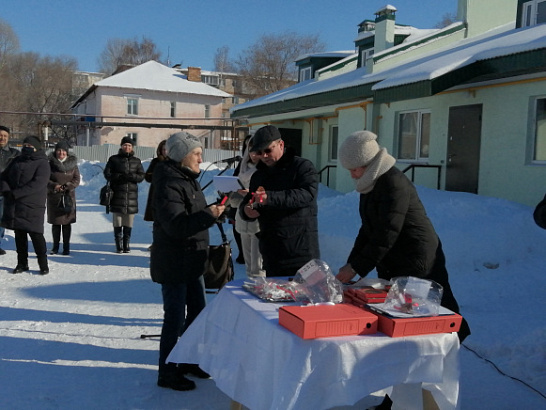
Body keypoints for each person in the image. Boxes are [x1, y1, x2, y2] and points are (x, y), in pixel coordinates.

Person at [335, 130, 470, 342]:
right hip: (393, 256)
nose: (352, 175)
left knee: (426, 315)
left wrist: (356, 268)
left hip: (416, 257)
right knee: (398, 312)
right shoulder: (370, 184)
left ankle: (441, 353)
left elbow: (387, 232)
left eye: (354, 169)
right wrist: (352, 263)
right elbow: (368, 229)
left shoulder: (392, 183)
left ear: (369, 163)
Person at [150, 131, 225, 391]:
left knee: (196, 314)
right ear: (182, 155)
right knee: (175, 318)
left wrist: (214, 213)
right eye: (196, 153)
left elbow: (193, 214)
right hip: (174, 261)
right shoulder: (168, 181)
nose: (200, 158)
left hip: (191, 260)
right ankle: (167, 372)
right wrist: (208, 215)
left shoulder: (186, 179)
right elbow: (175, 225)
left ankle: (189, 361)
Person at [240, 125, 320, 277]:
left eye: (268, 150)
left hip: (300, 251)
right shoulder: (259, 175)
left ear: (281, 145)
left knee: (304, 298)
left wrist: (270, 198)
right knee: (276, 297)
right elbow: (249, 199)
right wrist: (246, 210)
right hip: (272, 251)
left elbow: (307, 194)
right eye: (259, 152)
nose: (264, 156)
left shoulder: (302, 167)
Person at [0, 136, 50, 274]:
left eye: (30, 145)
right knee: (19, 235)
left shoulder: (42, 163)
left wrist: (16, 193)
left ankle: (43, 264)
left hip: (32, 205)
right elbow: (4, 176)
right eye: (25, 144)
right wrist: (5, 190)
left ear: (36, 148)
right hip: (16, 205)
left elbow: (38, 184)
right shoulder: (16, 160)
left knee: (36, 235)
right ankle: (22, 263)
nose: (27, 147)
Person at [230, 135, 265, 278]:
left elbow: (269, 195)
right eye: (250, 148)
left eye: (257, 149)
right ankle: (251, 289)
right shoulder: (243, 167)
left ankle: (259, 293)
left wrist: (250, 194)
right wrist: (231, 191)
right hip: (242, 217)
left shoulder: (265, 169)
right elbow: (235, 196)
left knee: (258, 267)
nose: (253, 153)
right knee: (248, 265)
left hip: (258, 221)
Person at [103, 136, 145, 253]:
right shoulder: (114, 159)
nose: (127, 147)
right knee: (118, 221)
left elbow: (141, 176)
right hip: (117, 194)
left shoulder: (136, 161)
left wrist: (132, 177)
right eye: (125, 145)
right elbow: (107, 174)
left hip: (131, 196)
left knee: (129, 221)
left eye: (130, 145)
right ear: (121, 146)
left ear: (132, 147)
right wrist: (119, 177)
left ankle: (126, 244)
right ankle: (118, 244)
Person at [47, 141, 81, 255]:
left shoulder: (73, 164)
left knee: (67, 223)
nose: (61, 153)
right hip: (54, 197)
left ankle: (66, 248)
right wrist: (54, 185)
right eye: (59, 150)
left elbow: (76, 179)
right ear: (55, 151)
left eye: (63, 150)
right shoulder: (50, 163)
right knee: (56, 224)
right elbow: (45, 178)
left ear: (67, 152)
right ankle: (55, 247)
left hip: (68, 197)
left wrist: (68, 186)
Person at [0, 125, 20, 255]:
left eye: (5, 136)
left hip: (5, 191)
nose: (2, 138)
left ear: (9, 138)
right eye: (0, 135)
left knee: (1, 218)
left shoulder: (15, 154)